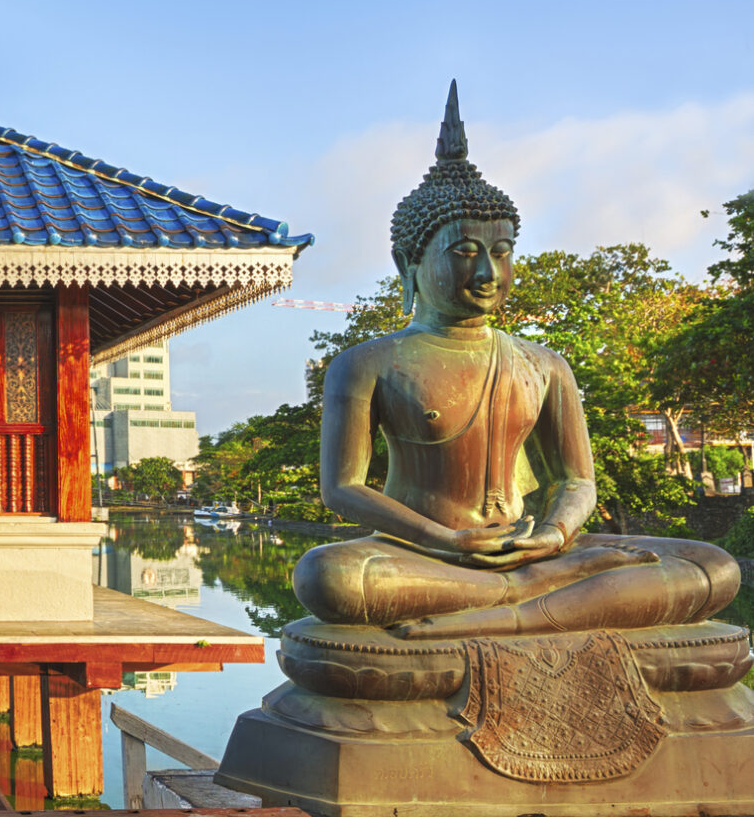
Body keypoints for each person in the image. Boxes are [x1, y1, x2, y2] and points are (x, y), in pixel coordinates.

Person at [292, 84, 738, 638]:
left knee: (712, 567)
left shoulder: (544, 365)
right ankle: (542, 596)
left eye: (501, 254)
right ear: (408, 262)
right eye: (464, 252)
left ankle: (515, 597)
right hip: (424, 554)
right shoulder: (366, 364)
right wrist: (449, 541)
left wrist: (554, 535)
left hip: (533, 546)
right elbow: (343, 488)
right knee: (328, 577)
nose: (487, 273)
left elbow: (576, 480)